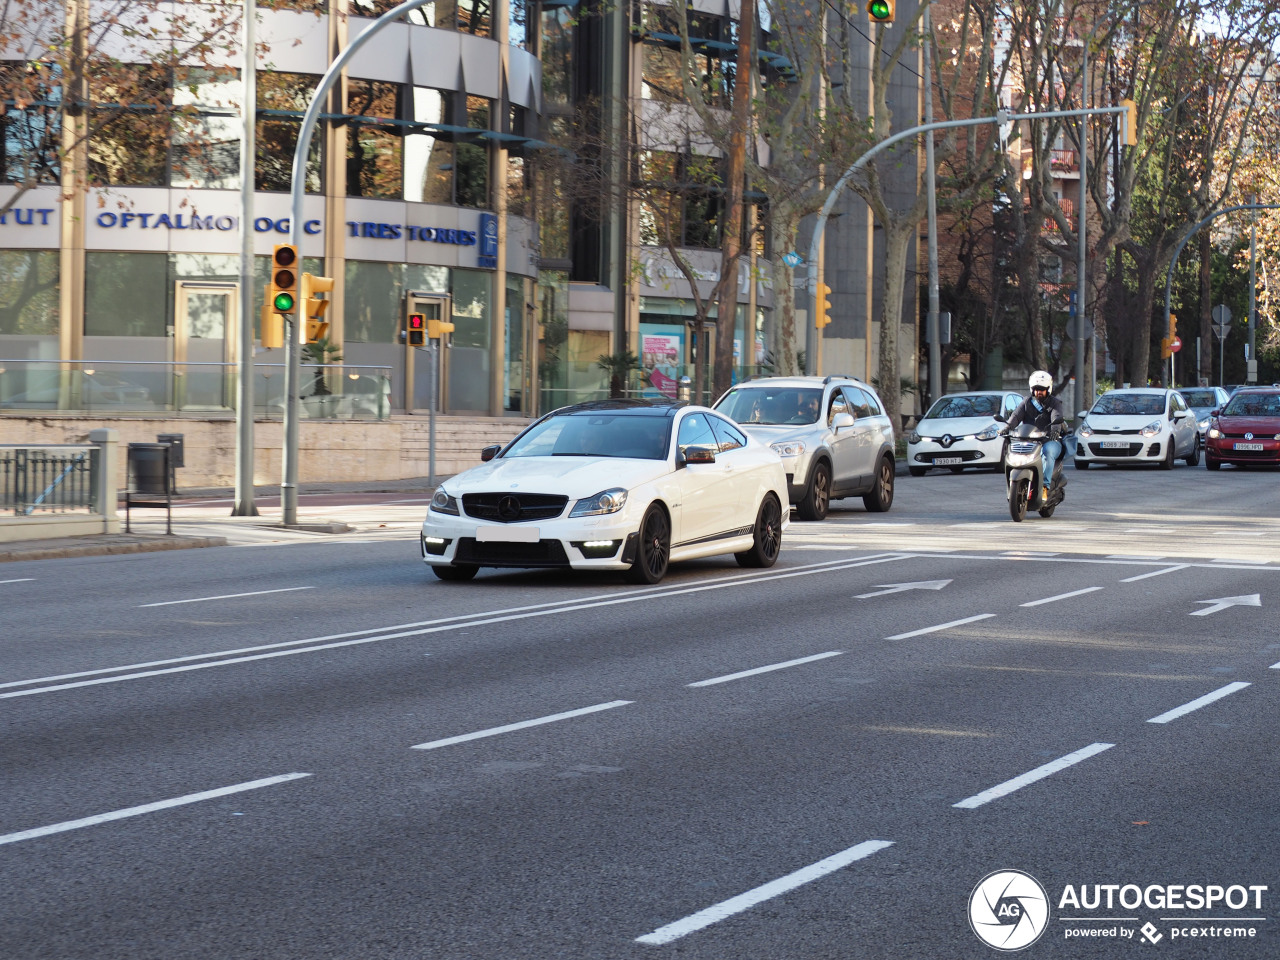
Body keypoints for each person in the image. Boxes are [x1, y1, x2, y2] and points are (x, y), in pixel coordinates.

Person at [1005, 370, 1065, 498]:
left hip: (1050, 440)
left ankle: (1045, 486)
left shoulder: (1055, 403)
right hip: (1029, 441)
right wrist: (1007, 427)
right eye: (1036, 389)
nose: (1039, 392)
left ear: (1048, 389)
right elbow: (1016, 416)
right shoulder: (1026, 402)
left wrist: (1055, 430)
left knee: (1048, 452)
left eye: (1042, 389)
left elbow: (1057, 416)